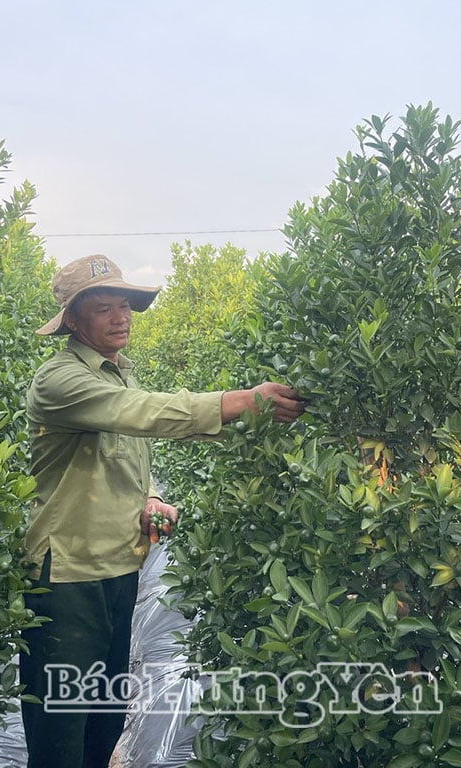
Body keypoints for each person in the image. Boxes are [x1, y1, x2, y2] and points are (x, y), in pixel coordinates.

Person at [19, 254, 304, 768]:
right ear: (74, 320)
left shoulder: (116, 374)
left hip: (119, 566)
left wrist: (149, 495)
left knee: (105, 710)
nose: (120, 317)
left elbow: (125, 443)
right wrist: (243, 399)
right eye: (104, 307)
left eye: (124, 305)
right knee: (61, 720)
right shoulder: (59, 380)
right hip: (67, 576)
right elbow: (143, 413)